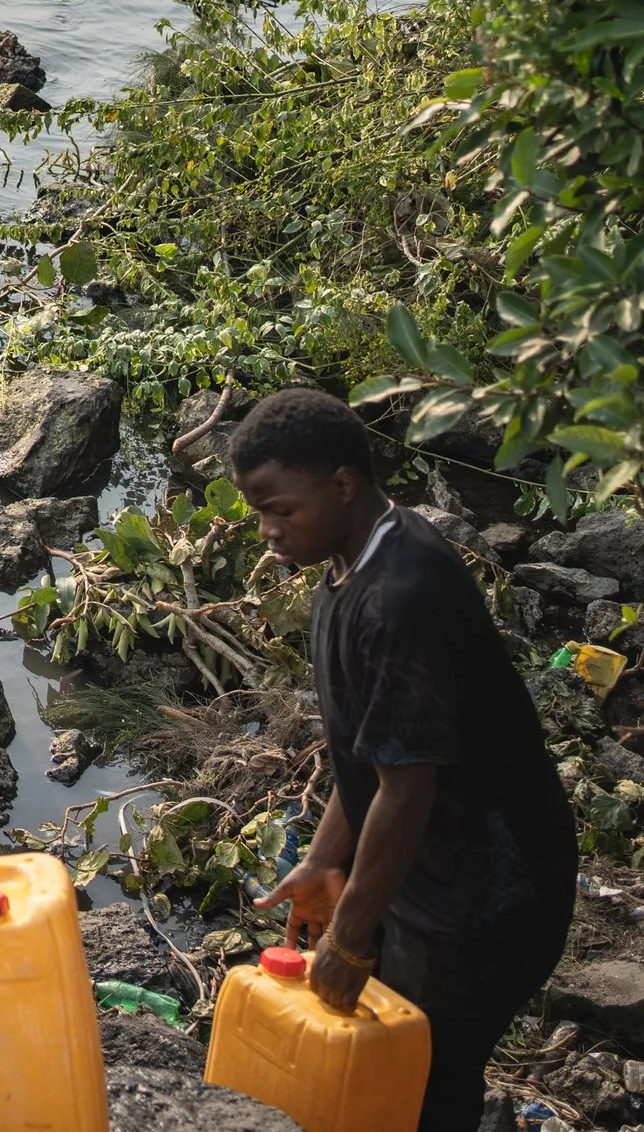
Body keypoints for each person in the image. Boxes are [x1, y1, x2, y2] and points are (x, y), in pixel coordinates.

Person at [241, 388, 574, 1132]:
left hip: (490, 893)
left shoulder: (402, 596)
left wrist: (351, 935)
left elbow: (407, 790)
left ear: (343, 483)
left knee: (427, 1075)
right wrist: (327, 861)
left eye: (280, 510)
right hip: (424, 875)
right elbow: (365, 747)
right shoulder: (346, 571)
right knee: (391, 1058)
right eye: (259, 512)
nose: (267, 531)